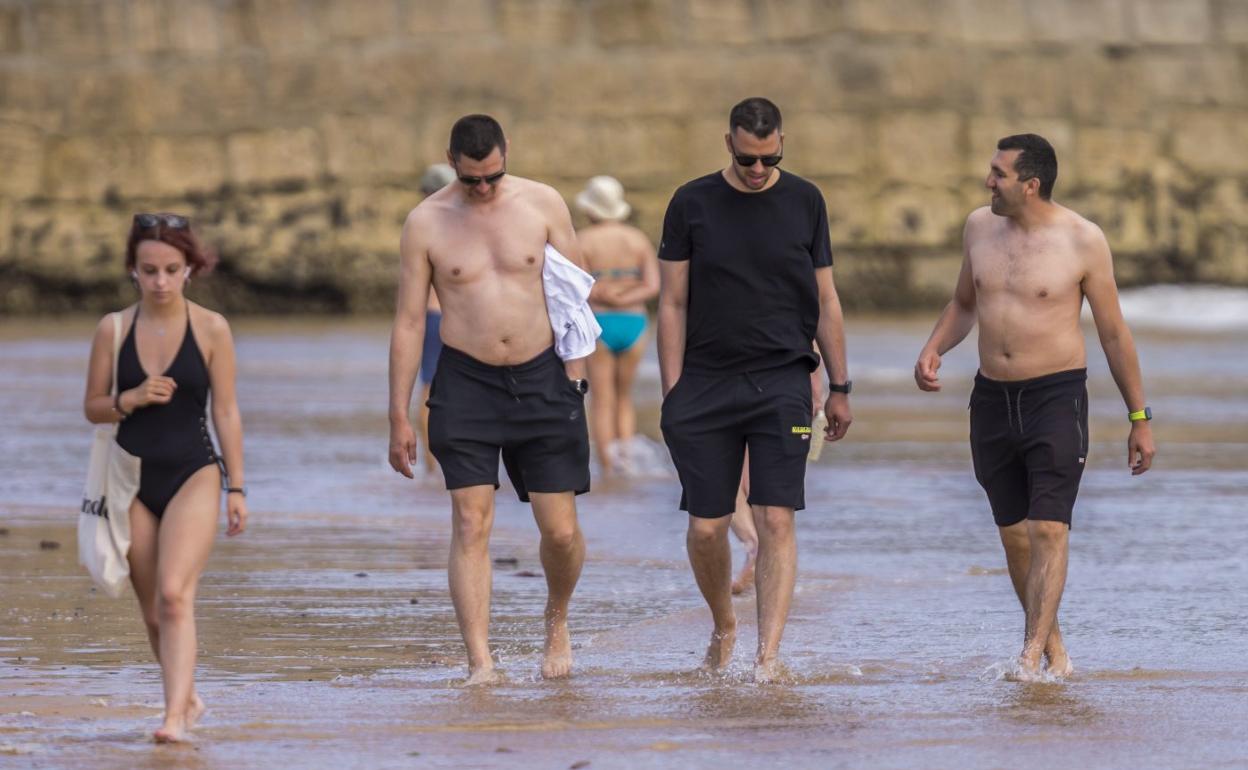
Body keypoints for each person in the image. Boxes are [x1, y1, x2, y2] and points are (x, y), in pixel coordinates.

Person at [914, 134, 1156, 681]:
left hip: (1056, 397)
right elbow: (963, 303)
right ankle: (1054, 651)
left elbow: (1115, 336)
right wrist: (934, 347)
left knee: (1049, 529)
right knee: (1015, 536)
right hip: (992, 399)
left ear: (1031, 184)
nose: (987, 182)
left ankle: (1028, 656)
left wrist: (1139, 419)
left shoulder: (1082, 240)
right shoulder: (979, 227)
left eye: (998, 174)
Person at [388, 115, 592, 685]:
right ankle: (481, 661)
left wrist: (576, 378)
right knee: (470, 521)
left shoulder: (543, 203)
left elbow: (575, 295)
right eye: (472, 178)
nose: (483, 189)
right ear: (452, 161)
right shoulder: (425, 222)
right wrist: (398, 415)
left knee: (559, 531)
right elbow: (407, 323)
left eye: (493, 177)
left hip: (544, 377)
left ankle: (556, 618)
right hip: (465, 382)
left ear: (506, 156)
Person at [657, 97, 852, 682]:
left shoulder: (805, 200)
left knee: (777, 520)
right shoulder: (691, 202)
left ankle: (768, 657)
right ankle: (724, 624)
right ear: (729, 144)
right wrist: (672, 393)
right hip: (705, 383)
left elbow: (826, 300)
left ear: (781, 145)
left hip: (784, 380)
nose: (759, 170)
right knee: (706, 526)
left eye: (770, 158)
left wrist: (840, 384)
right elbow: (671, 302)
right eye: (747, 159)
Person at [82, 213, 248, 742]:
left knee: (176, 596)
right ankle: (187, 697)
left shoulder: (212, 328)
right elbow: (91, 407)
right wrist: (127, 399)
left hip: (194, 472)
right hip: (129, 479)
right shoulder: (113, 328)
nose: (160, 281)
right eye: (148, 270)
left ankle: (174, 718)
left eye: (171, 269)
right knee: (154, 612)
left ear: (189, 270)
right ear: (133, 270)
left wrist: (237, 487)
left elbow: (226, 412)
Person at [574, 175, 660, 476]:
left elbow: (579, 284)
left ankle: (609, 469)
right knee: (625, 398)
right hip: (634, 322)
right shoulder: (636, 239)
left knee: (601, 400)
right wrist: (626, 297)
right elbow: (652, 285)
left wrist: (605, 294)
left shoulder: (583, 240)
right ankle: (626, 461)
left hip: (599, 322)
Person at [416, 163, 457, 475]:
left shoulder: (421, 225)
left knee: (430, 391)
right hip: (463, 315)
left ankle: (432, 467)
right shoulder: (466, 221)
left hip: (431, 314)